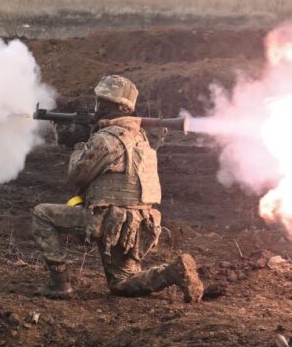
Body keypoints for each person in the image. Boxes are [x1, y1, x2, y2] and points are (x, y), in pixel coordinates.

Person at [32, 75, 203, 303]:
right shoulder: (141, 137)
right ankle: (172, 272)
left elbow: (76, 176)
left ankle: (59, 283)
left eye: (103, 102)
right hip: (136, 224)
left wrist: (80, 143)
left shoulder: (106, 140)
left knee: (42, 214)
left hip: (108, 221)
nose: (97, 106)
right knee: (122, 283)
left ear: (117, 107)